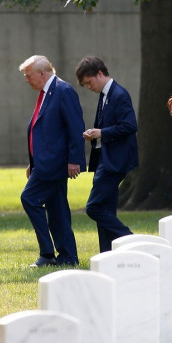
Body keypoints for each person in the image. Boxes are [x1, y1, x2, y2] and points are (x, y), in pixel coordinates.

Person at [18, 55, 86, 267]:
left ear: (42, 73)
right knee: (57, 210)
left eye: (28, 76)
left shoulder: (63, 91)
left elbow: (75, 128)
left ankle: (47, 254)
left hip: (55, 164)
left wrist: (74, 160)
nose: (26, 80)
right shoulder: (46, 93)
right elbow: (44, 132)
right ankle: (68, 256)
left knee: (29, 198)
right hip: (45, 162)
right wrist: (34, 161)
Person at [76, 56, 138, 253]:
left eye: (89, 82)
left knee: (93, 207)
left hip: (115, 161)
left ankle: (130, 240)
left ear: (100, 74)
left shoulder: (119, 94)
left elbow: (130, 125)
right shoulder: (105, 95)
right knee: (105, 208)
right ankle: (107, 254)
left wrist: (101, 132)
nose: (88, 87)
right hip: (105, 158)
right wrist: (95, 133)